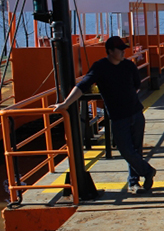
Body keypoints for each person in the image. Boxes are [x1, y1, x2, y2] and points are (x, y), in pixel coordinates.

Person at [52, 36, 156, 195]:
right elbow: (82, 86)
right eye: (119, 49)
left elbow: (136, 84)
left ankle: (134, 183)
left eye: (124, 49)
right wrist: (66, 104)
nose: (123, 52)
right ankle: (147, 171)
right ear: (109, 51)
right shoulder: (100, 68)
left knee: (136, 150)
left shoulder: (128, 65)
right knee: (125, 150)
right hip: (118, 118)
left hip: (136, 114)